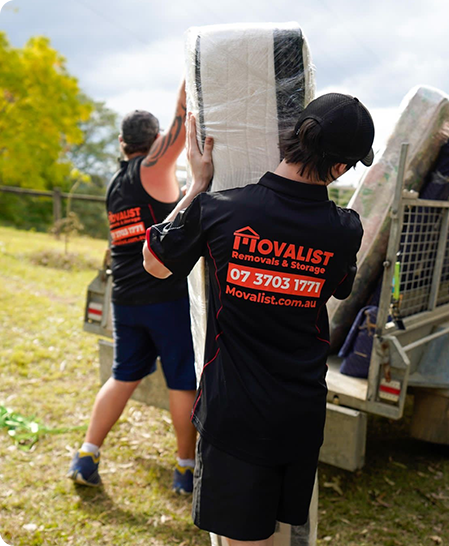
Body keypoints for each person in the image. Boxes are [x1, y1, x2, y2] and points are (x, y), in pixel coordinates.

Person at [143, 93, 374, 545]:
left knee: (242, 538)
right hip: (300, 412)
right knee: (279, 529)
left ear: (290, 137)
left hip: (236, 413)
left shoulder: (220, 210)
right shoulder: (345, 229)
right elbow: (340, 286)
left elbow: (154, 262)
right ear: (342, 167)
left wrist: (196, 186)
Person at [67, 78, 198, 495]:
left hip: (124, 298)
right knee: (181, 380)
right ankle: (185, 471)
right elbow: (178, 128)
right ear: (153, 142)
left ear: (123, 144)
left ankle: (86, 455)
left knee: (123, 376)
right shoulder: (152, 169)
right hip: (165, 298)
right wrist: (186, 83)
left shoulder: (115, 182)